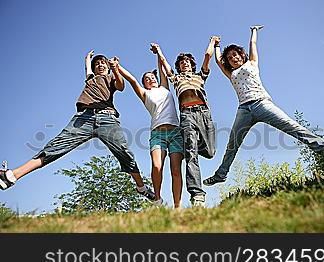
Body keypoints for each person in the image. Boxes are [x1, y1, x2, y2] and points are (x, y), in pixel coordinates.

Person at [0, 50, 156, 202]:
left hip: (107, 118)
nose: (100, 65)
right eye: (97, 64)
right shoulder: (90, 79)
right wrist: (87, 59)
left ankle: (141, 188)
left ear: (107, 67)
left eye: (103, 63)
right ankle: (12, 176)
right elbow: (87, 69)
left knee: (125, 153)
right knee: (54, 147)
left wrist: (115, 69)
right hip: (83, 118)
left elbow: (121, 86)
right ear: (93, 69)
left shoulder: (110, 78)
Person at [203, 26, 324, 186]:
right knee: (233, 142)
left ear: (241, 55)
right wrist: (216, 45)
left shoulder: (252, 63)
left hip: (262, 103)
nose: (233, 58)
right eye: (230, 58)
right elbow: (218, 60)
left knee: (291, 126)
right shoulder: (231, 74)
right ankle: (221, 175)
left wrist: (254, 31)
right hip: (244, 109)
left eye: (235, 55)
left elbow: (253, 44)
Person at [150, 37, 218, 207]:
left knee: (210, 152)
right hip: (187, 116)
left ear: (191, 64)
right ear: (178, 67)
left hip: (204, 114)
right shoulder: (176, 79)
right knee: (191, 155)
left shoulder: (200, 76)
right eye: (181, 63)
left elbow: (207, 56)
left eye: (187, 62)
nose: (184, 64)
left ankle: (191, 147)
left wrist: (212, 42)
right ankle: (197, 194)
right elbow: (166, 67)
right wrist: (158, 52)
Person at [116, 48, 184, 208]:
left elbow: (162, 68)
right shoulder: (145, 94)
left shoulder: (165, 88)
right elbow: (132, 80)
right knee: (157, 166)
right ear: (144, 83)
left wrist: (158, 52)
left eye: (152, 77)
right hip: (157, 134)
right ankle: (158, 199)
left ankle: (177, 207)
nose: (151, 79)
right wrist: (117, 67)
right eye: (147, 79)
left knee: (175, 170)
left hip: (175, 132)